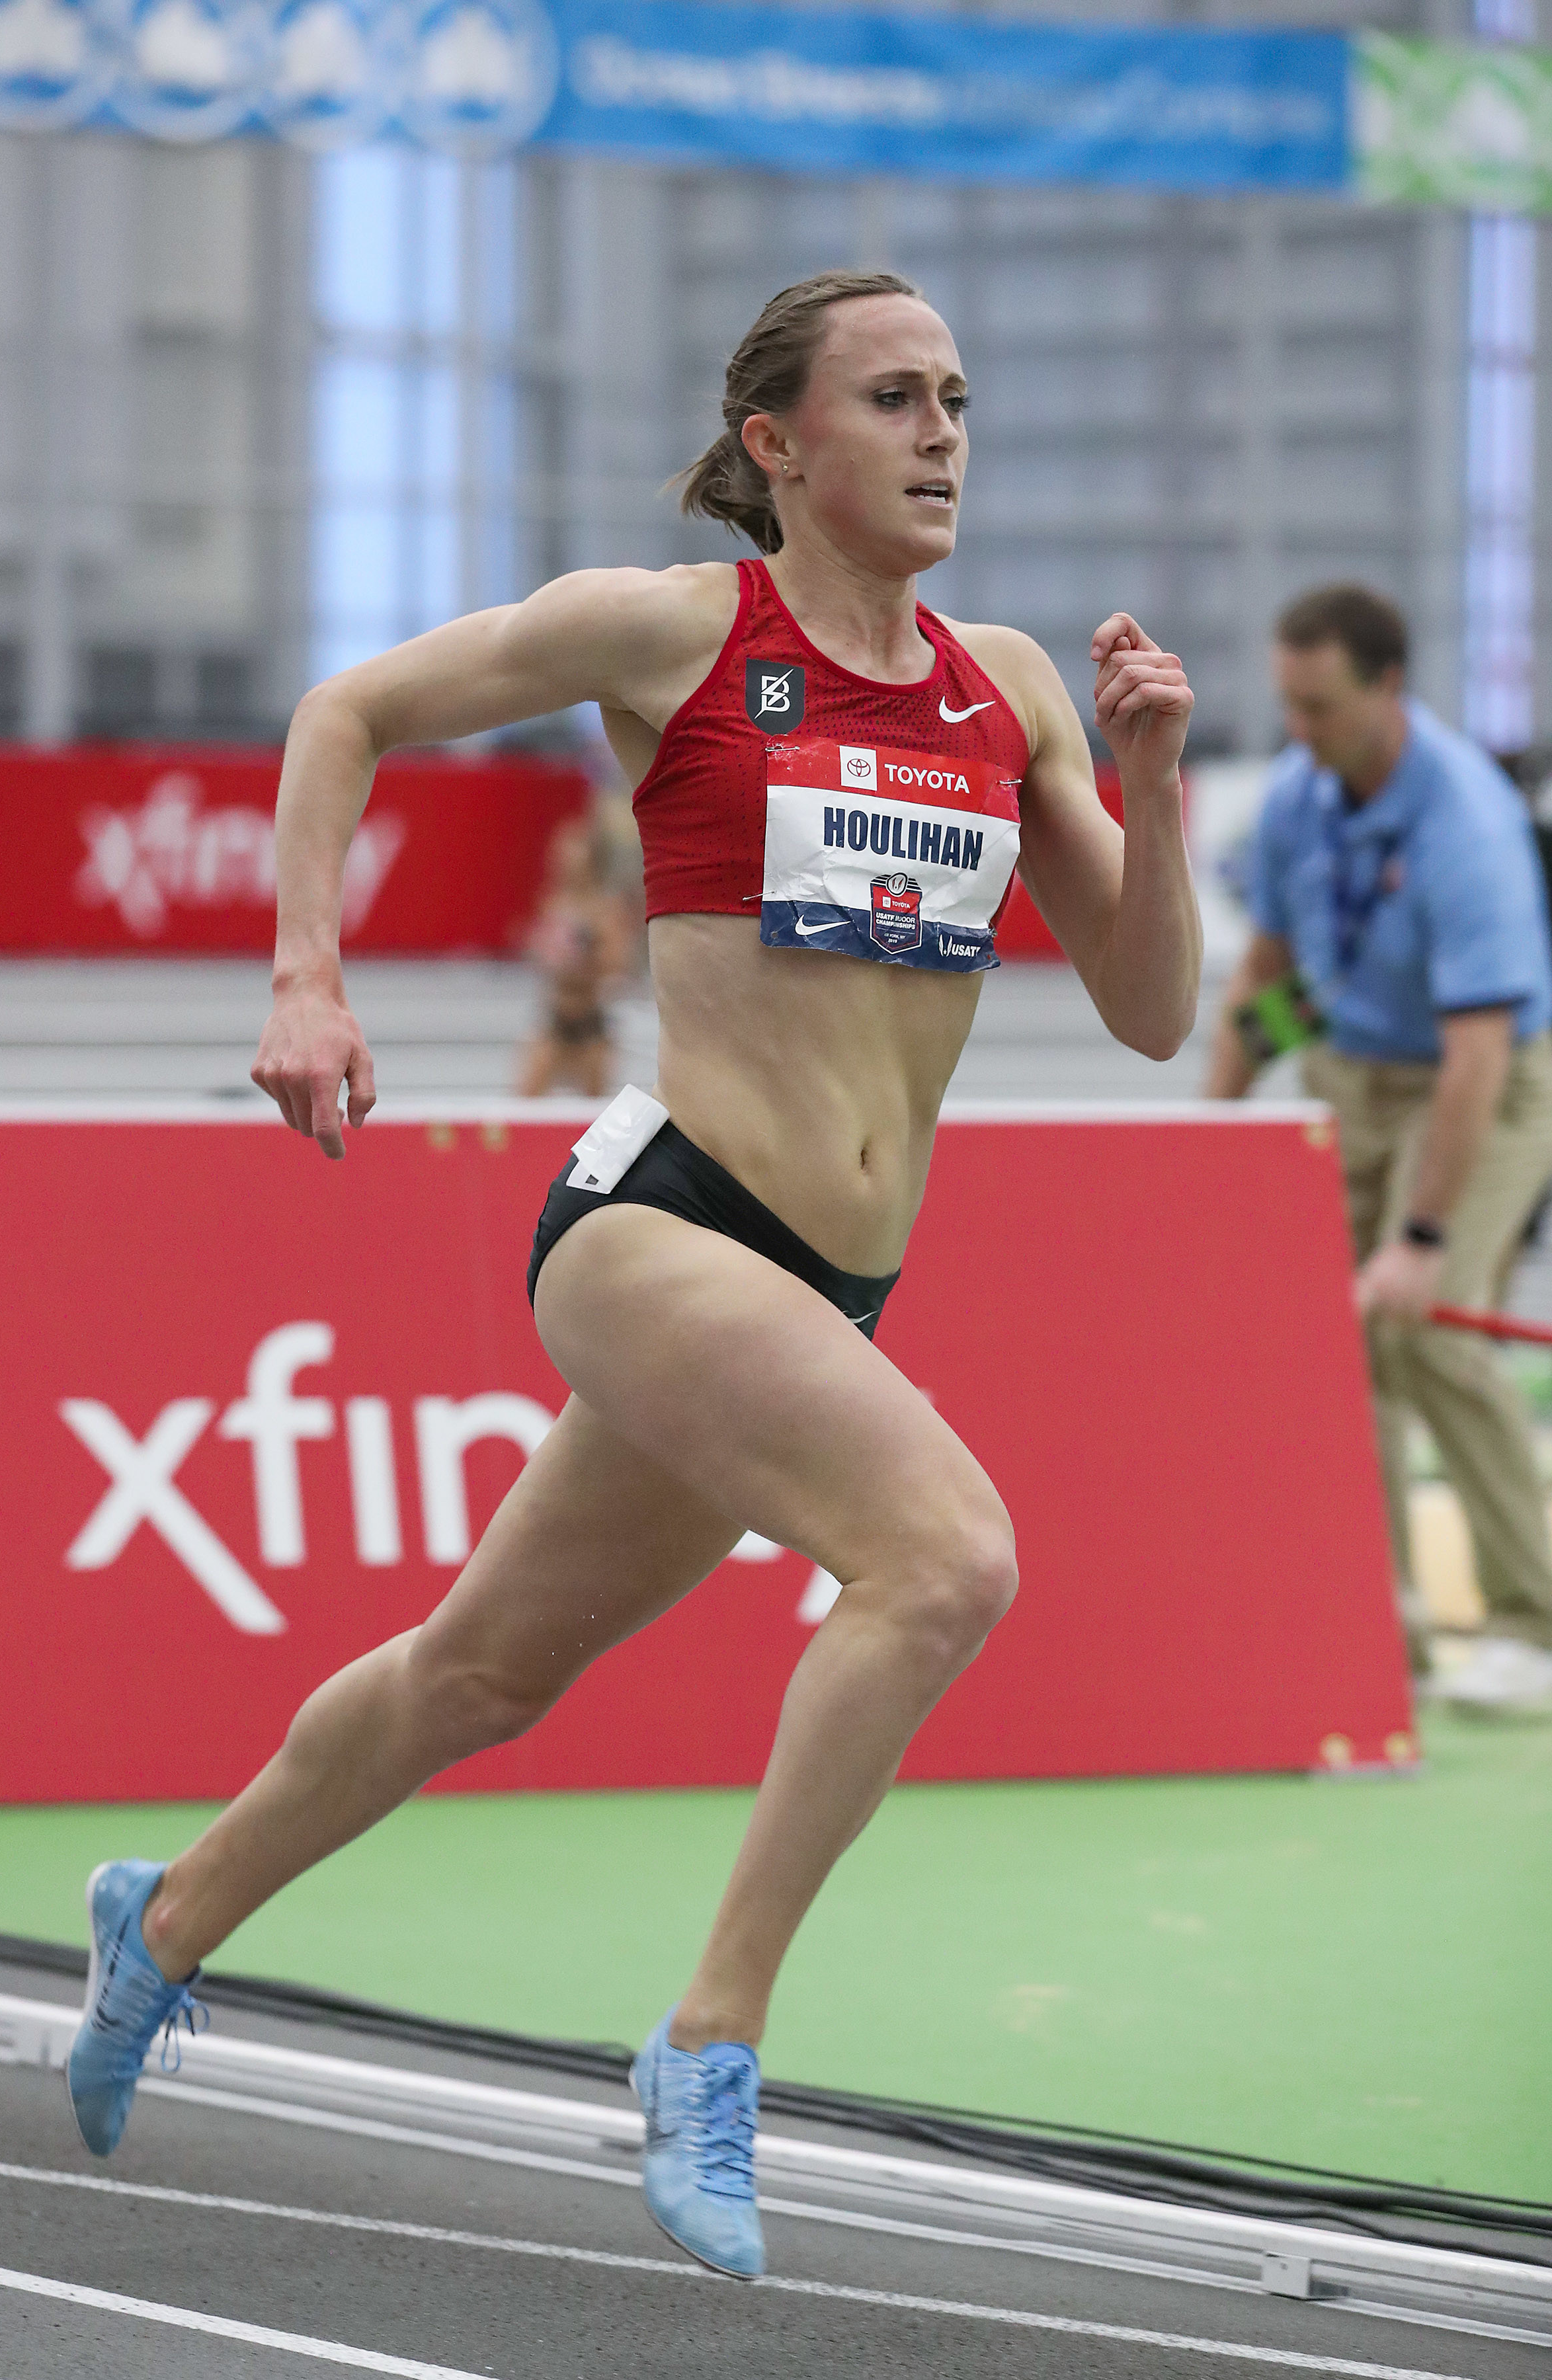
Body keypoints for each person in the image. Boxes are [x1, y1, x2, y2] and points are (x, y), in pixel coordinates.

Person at [65, 268, 1200, 2278]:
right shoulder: (674, 632)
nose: (940, 434)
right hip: (657, 1226)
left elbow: (1147, 1005)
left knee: (478, 1673)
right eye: (891, 399)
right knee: (941, 1560)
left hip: (825, 1291)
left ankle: (160, 1921)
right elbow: (346, 714)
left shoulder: (1006, 687)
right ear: (775, 443)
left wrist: (1149, 782)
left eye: (954, 398)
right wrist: (307, 978)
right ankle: (708, 2037)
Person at [1206, 583, 1552, 1708]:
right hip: (1348, 1067)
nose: (1299, 731)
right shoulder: (1298, 796)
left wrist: (1422, 1238)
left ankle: (1535, 1625)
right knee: (1335, 1348)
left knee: (1428, 1329)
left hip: (1480, 1086)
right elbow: (1271, 979)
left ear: (1388, 687)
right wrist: (1208, 1144)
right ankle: (1378, 1630)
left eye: (1320, 707)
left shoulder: (1466, 823)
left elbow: (1477, 1052)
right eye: (1289, 705)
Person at [516, 813, 635, 1097]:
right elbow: (541, 953)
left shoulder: (606, 908)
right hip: (556, 1017)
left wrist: (585, 959)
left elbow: (618, 963)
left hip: (590, 1021)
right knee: (526, 1100)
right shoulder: (553, 903)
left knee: (593, 1106)